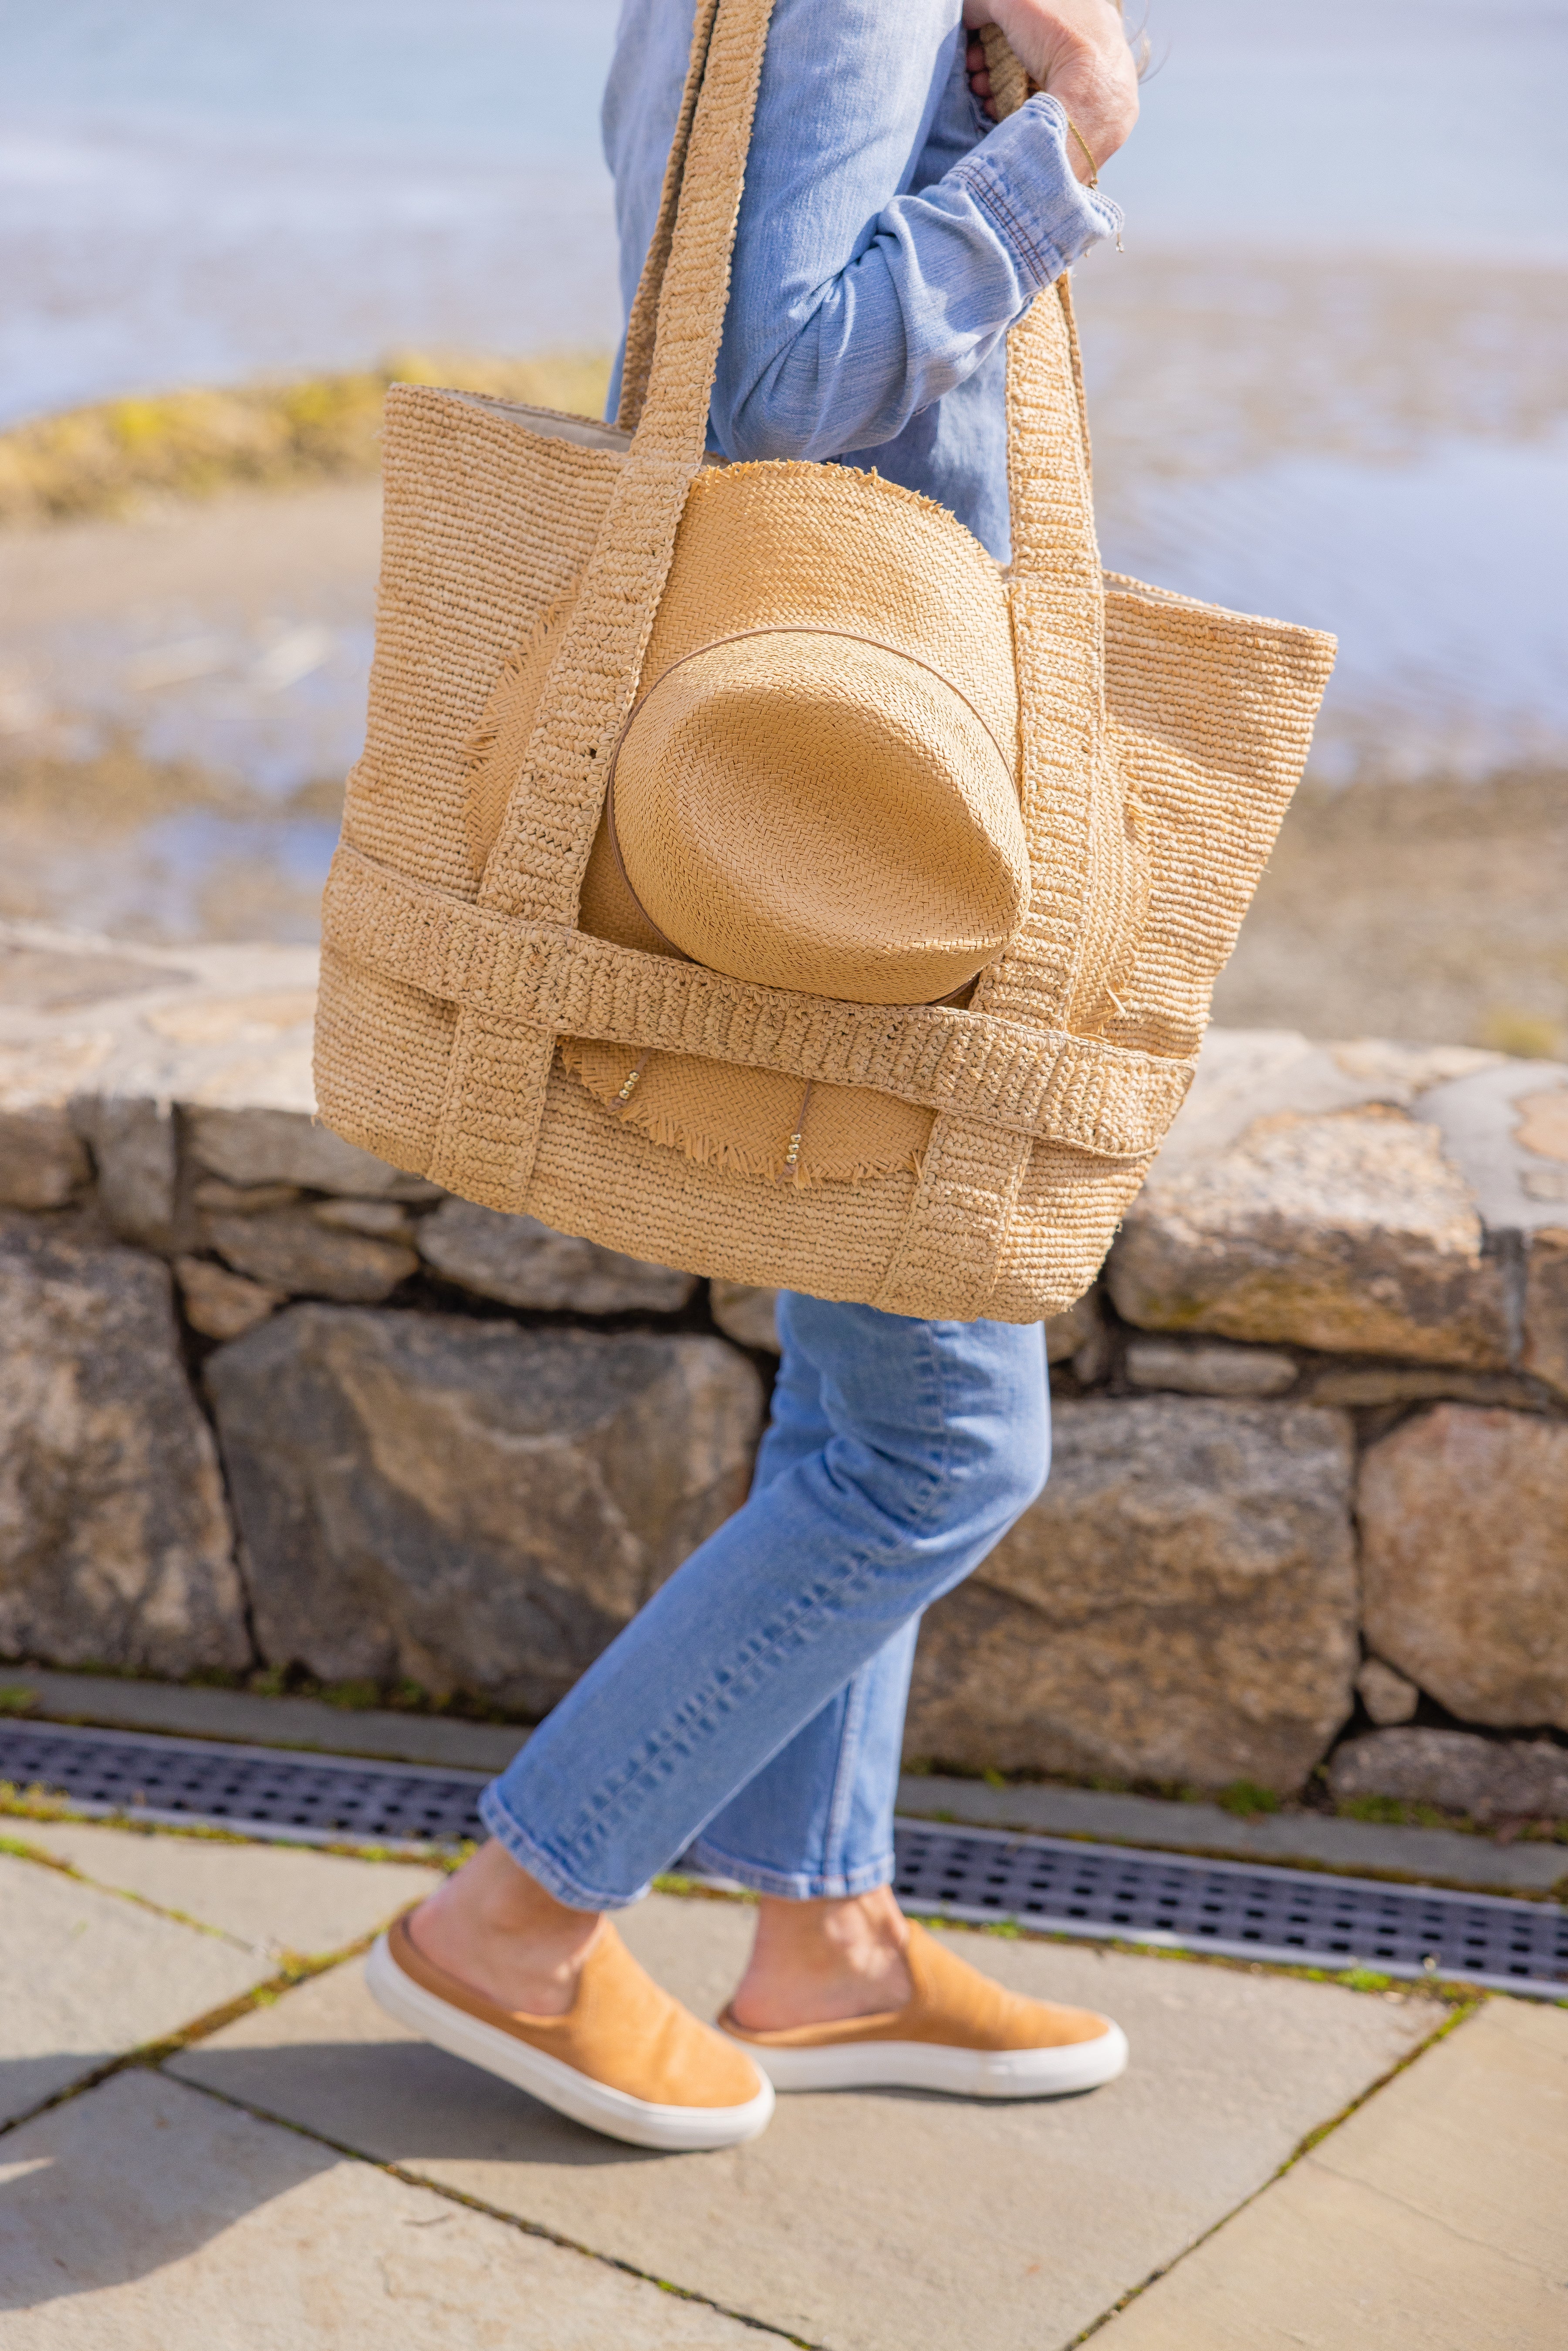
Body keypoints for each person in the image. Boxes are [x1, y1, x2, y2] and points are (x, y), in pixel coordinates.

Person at [368, 0, 1141, 2150]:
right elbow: (763, 384)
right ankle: (517, 1920)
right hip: (845, 786)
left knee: (867, 1395)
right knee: (943, 1454)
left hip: (835, 771)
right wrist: (1063, 146)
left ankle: (826, 1938)